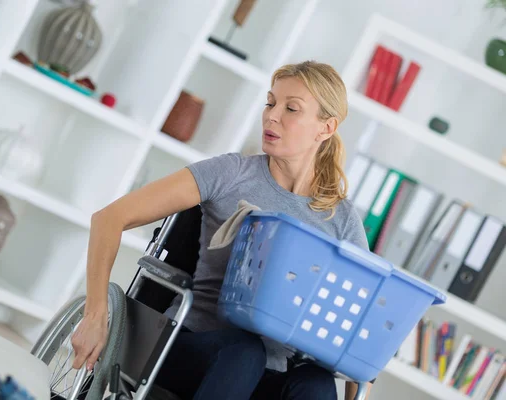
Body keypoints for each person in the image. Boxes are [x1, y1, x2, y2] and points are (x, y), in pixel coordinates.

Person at [71, 60, 374, 400]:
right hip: (192, 347)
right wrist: (95, 315)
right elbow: (109, 218)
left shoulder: (342, 219)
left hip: (270, 371)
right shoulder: (231, 174)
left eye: (291, 109)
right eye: (271, 103)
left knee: (315, 385)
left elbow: (360, 328)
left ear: (326, 128)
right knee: (245, 351)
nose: (272, 116)